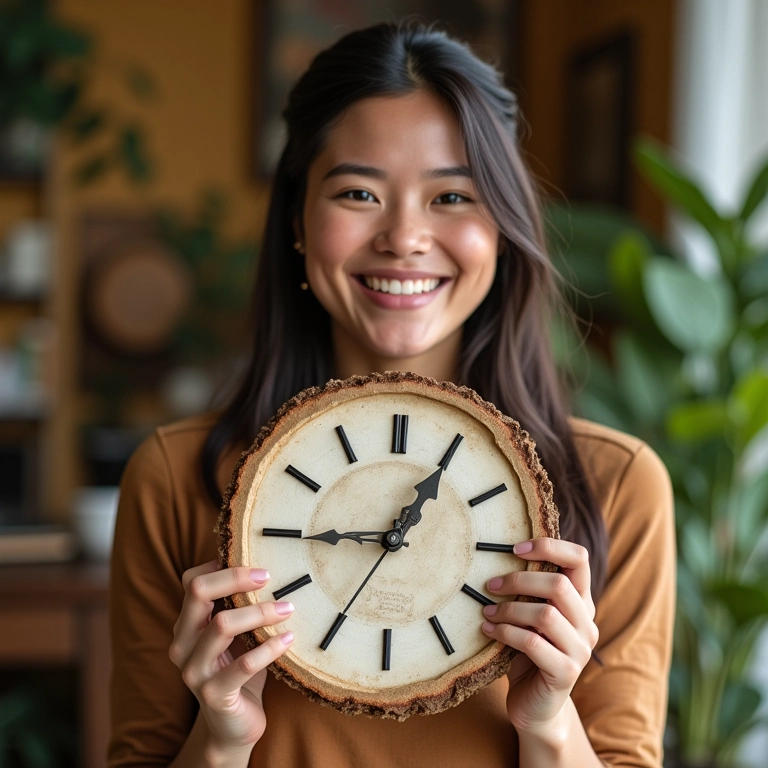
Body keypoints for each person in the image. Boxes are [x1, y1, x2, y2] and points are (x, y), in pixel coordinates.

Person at [108, 21, 675, 768]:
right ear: (297, 221)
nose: (404, 237)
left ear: (502, 231)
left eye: (453, 195)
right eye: (358, 192)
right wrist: (220, 739)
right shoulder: (174, 477)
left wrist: (549, 724)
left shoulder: (616, 485)